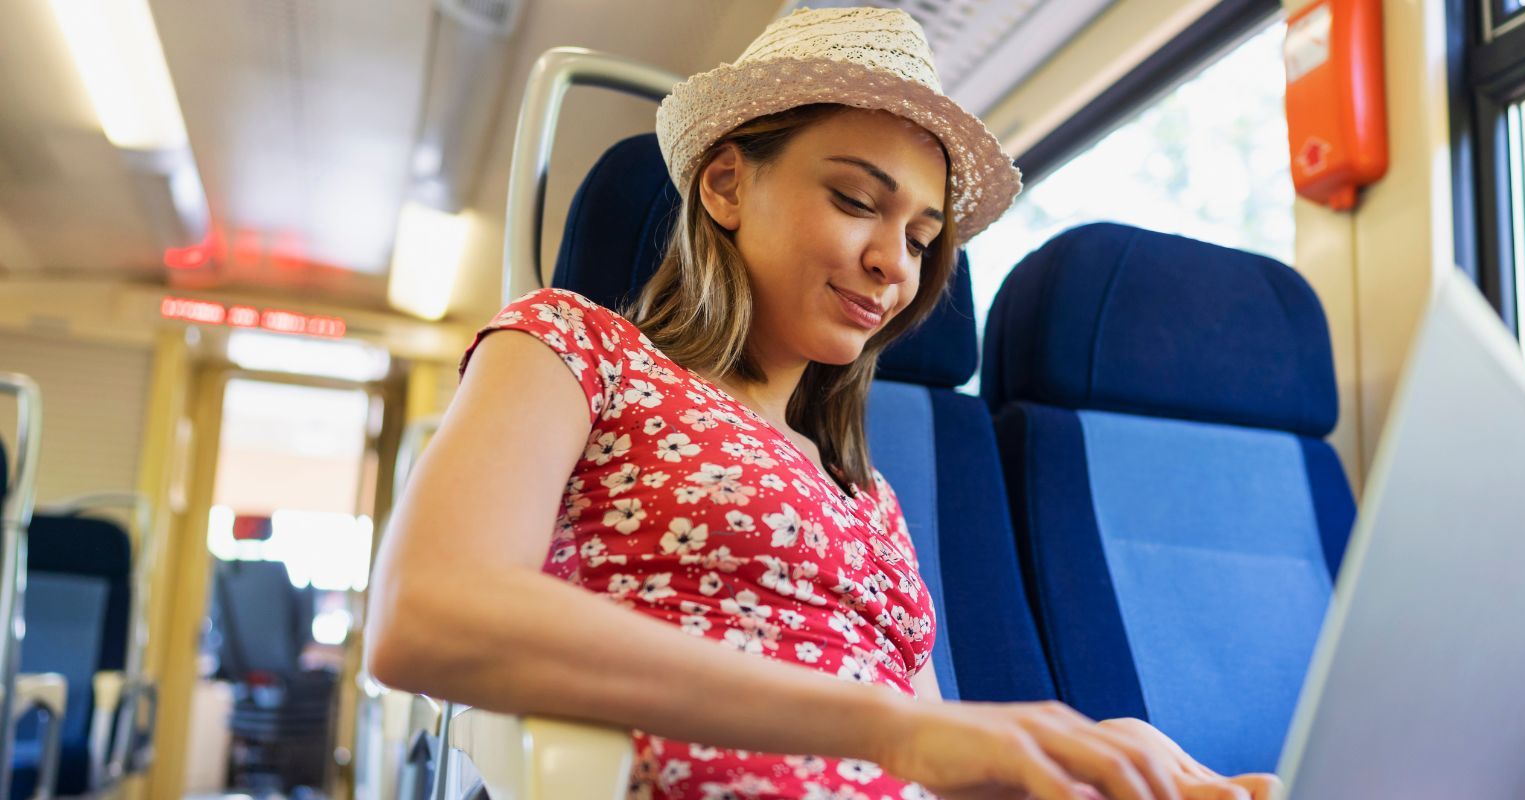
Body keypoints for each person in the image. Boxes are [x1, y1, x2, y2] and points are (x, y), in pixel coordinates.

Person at [366, 8, 1280, 800]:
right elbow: (428, 612)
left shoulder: (867, 494)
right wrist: (893, 729)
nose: (897, 263)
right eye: (855, 200)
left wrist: (1101, 765)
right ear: (725, 184)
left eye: (923, 238)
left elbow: (933, 754)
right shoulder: (578, 348)